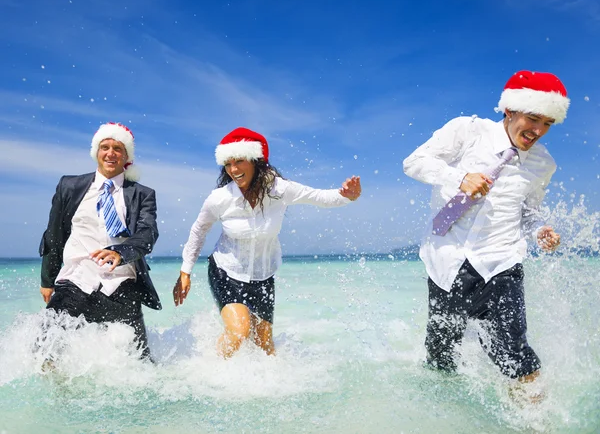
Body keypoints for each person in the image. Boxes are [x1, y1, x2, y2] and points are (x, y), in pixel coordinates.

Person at [403, 70, 568, 391]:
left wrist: (539, 231)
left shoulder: (543, 164)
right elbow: (413, 162)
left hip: (501, 263)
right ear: (509, 111)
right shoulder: (468, 131)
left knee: (514, 354)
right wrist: (458, 178)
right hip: (445, 261)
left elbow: (529, 211)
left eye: (548, 123)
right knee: (441, 357)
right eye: (533, 118)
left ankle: (536, 422)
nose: (538, 130)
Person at [172, 127, 361, 358]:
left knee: (264, 346)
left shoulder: (279, 189)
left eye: (239, 161)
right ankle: (210, 372)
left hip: (263, 275)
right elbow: (198, 230)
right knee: (239, 331)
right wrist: (185, 271)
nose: (233, 170)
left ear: (256, 161)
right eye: (228, 164)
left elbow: (319, 197)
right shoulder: (221, 198)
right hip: (226, 271)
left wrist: (346, 195)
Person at [39, 122, 160, 361]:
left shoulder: (142, 194)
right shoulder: (69, 186)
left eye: (118, 148)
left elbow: (148, 233)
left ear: (126, 156)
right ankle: (57, 396)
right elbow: (54, 234)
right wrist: (47, 280)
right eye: (105, 147)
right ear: (96, 151)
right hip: (76, 278)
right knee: (45, 346)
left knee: (141, 361)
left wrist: (121, 252)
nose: (111, 153)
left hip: (122, 282)